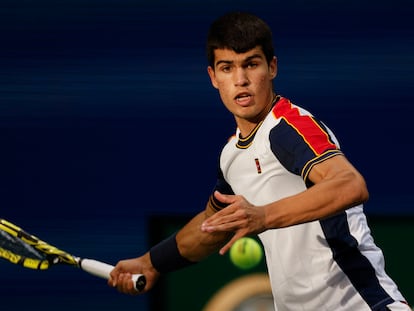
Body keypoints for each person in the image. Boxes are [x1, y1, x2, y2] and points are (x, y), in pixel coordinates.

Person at [108, 11, 410, 310]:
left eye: (251, 64)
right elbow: (213, 226)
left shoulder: (289, 128)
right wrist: (151, 263)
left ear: (272, 67)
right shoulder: (230, 156)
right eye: (227, 68)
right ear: (213, 77)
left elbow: (349, 185)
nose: (241, 80)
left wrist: (264, 216)